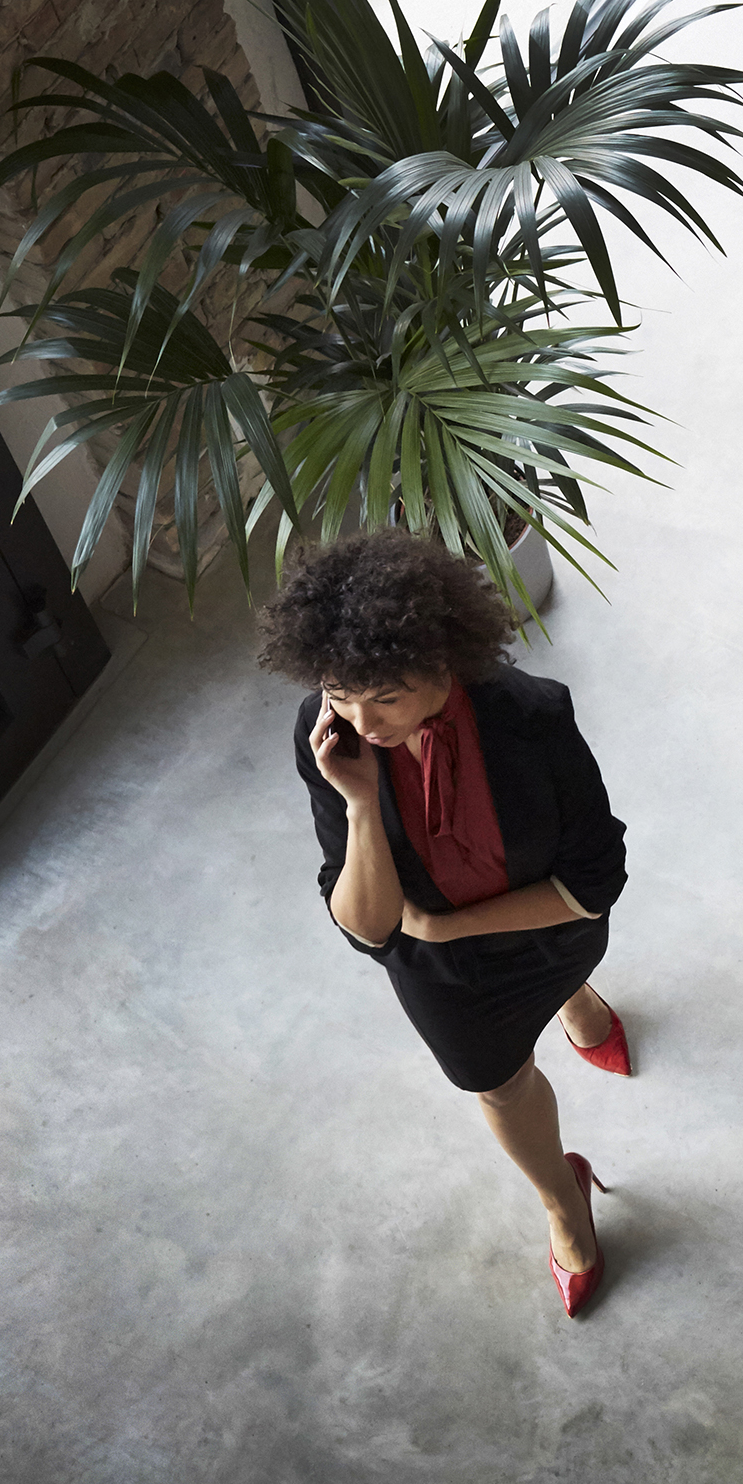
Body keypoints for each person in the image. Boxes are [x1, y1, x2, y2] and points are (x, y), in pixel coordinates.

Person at [261, 531, 633, 1319]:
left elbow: (594, 881)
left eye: (387, 696)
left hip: (552, 934)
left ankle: (577, 1001)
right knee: (499, 1085)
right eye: (341, 690)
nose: (363, 720)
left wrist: (447, 928)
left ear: (443, 663)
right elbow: (368, 927)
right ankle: (566, 1200)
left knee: (569, 954)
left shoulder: (534, 715)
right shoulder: (328, 737)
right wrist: (360, 800)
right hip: (454, 984)